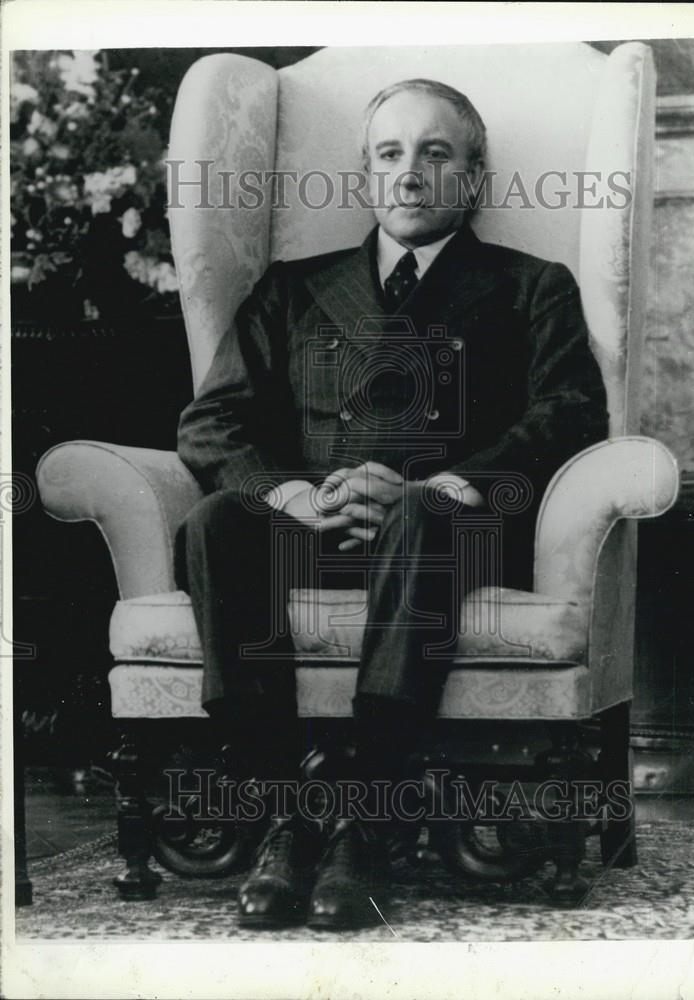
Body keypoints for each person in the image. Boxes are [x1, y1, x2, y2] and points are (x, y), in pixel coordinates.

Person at [175, 78, 608, 930]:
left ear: (473, 176)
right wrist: (291, 494)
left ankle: (365, 812)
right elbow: (212, 419)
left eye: (435, 153)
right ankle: (289, 814)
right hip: (320, 525)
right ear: (367, 177)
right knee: (217, 520)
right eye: (389, 154)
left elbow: (569, 411)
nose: (409, 174)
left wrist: (440, 484)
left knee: (421, 517)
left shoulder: (530, 286)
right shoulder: (294, 288)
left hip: (449, 530)